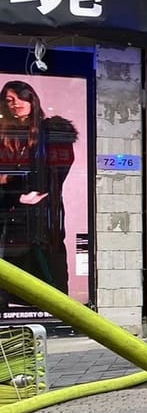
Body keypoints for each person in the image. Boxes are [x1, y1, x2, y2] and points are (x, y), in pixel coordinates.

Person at [0, 80, 77, 306]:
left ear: (31, 99)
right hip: (10, 222)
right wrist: (15, 192)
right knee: (13, 285)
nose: (15, 104)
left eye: (20, 98)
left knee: (48, 284)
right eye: (9, 101)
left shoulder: (52, 132)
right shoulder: (6, 135)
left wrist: (8, 180)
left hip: (44, 222)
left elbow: (47, 180)